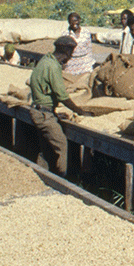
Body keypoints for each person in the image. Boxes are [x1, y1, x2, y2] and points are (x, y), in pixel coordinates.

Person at [28, 34, 87, 174]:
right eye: (71, 53)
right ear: (66, 51)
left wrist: (53, 111)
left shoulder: (45, 60)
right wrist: (80, 111)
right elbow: (62, 95)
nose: (71, 57)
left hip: (40, 111)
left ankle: (42, 175)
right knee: (61, 145)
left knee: (47, 148)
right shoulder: (53, 66)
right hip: (43, 115)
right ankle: (61, 178)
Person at [63, 12, 94, 78]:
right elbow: (63, 52)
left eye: (75, 20)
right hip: (71, 64)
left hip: (85, 63)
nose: (74, 23)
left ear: (79, 20)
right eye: (71, 21)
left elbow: (89, 49)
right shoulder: (65, 34)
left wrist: (90, 64)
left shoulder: (86, 32)